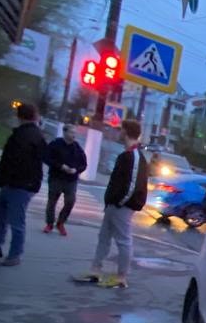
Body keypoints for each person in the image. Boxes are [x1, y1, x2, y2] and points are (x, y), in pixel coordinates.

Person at [74, 118, 148, 289]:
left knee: (123, 240)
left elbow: (131, 185)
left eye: (120, 130)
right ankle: (96, 269)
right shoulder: (128, 154)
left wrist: (119, 202)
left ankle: (121, 277)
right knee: (104, 237)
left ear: (126, 132)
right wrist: (110, 202)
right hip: (114, 205)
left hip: (122, 206)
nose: (118, 132)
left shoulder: (134, 156)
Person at [0, 102, 48, 267]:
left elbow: (13, 160)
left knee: (12, 219)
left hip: (17, 184)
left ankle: (12, 253)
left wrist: (3, 177)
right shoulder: (35, 135)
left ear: (20, 116)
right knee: (3, 215)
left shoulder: (23, 135)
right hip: (19, 183)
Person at [43, 123, 87, 235]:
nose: (74, 135)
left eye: (75, 133)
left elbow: (84, 164)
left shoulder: (77, 148)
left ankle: (61, 222)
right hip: (56, 177)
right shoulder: (56, 144)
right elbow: (46, 157)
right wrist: (60, 166)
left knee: (70, 201)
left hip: (71, 180)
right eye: (72, 132)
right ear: (65, 132)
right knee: (52, 201)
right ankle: (49, 223)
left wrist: (76, 170)